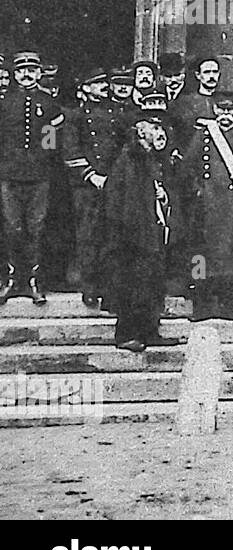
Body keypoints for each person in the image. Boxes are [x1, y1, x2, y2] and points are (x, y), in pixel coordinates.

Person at [101, 116, 182, 353]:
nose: (161, 134)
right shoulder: (128, 160)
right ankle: (126, 334)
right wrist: (129, 235)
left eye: (162, 128)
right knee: (132, 286)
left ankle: (149, 332)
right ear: (140, 132)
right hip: (132, 238)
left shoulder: (152, 160)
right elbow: (117, 202)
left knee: (152, 285)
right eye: (155, 128)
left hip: (152, 233)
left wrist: (163, 199)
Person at [179, 90, 233, 321]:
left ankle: (228, 305)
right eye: (221, 109)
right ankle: (201, 305)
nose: (226, 114)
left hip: (231, 205)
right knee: (200, 255)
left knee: (229, 255)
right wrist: (197, 190)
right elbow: (186, 167)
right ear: (214, 110)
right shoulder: (204, 135)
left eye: (231, 109)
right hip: (205, 206)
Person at [0, 51, 64, 304]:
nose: (26, 74)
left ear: (39, 73)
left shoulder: (48, 103)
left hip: (38, 175)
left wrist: (40, 162)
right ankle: (14, 280)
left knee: (36, 227)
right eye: (21, 71)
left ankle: (35, 281)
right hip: (9, 174)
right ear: (15, 75)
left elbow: (51, 141)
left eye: (31, 70)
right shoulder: (4, 103)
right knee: (12, 227)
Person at [61, 68, 118, 308]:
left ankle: (109, 286)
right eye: (97, 84)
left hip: (112, 183)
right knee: (88, 236)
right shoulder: (74, 116)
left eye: (104, 83)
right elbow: (70, 152)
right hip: (86, 186)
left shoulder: (114, 113)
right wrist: (92, 176)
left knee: (110, 235)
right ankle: (90, 287)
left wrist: (116, 177)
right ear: (85, 88)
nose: (103, 87)